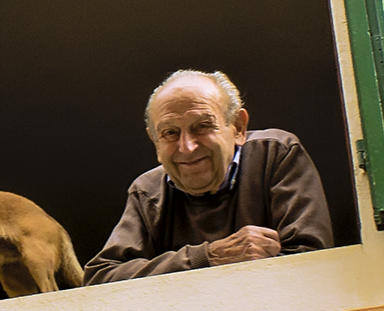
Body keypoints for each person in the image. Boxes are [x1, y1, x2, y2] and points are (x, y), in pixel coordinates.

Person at [83, 68, 334, 285]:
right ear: (155, 141)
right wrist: (206, 257)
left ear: (237, 127)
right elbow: (101, 278)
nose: (187, 147)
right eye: (170, 133)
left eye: (202, 126)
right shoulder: (147, 192)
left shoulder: (276, 154)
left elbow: (310, 260)